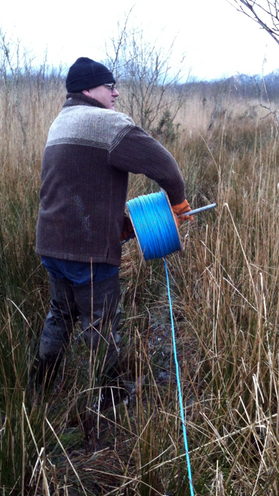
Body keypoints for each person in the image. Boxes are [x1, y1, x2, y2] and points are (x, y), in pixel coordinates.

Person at [34, 57, 192, 396]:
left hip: (50, 243)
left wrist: (117, 223)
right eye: (110, 86)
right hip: (88, 251)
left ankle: (41, 389)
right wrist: (178, 203)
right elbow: (164, 166)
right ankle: (109, 399)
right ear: (89, 90)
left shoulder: (60, 123)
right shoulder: (108, 124)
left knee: (60, 316)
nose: (116, 93)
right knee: (101, 325)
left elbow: (77, 186)